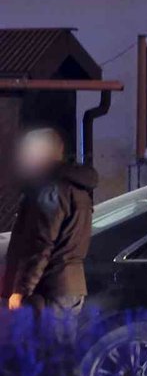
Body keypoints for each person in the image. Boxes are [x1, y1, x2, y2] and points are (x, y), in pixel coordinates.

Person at [2, 127, 97, 317]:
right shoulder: (77, 186)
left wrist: (21, 290)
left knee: (46, 346)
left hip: (50, 290)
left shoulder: (50, 189)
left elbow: (41, 243)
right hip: (69, 288)